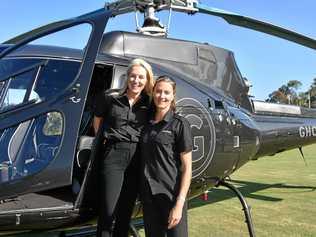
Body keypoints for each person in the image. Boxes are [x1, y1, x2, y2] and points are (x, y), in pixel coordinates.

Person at [93, 58, 154, 237]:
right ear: (126, 77)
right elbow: (97, 119)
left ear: (147, 80)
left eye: (141, 77)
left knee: (125, 213)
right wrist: (103, 139)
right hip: (114, 155)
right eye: (133, 76)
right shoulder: (111, 98)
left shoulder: (149, 103)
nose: (136, 80)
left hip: (137, 158)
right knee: (107, 211)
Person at [140, 76, 192, 237]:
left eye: (166, 92)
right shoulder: (146, 123)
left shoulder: (179, 124)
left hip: (171, 195)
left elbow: (187, 167)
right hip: (149, 197)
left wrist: (179, 203)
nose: (162, 96)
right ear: (153, 93)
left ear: (172, 95)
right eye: (158, 91)